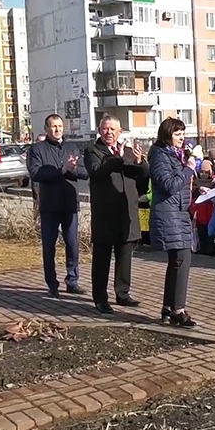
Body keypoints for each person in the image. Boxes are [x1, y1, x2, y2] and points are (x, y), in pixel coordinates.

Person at [83, 116, 147, 314]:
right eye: (105, 128)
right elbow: (96, 172)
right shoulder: (92, 151)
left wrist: (140, 163)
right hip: (105, 213)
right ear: (99, 131)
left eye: (112, 129)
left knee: (125, 255)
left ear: (120, 132)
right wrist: (117, 158)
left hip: (126, 211)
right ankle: (100, 298)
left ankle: (123, 293)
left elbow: (143, 179)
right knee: (102, 258)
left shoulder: (128, 152)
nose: (108, 132)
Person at [28, 114, 89, 298]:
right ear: (46, 129)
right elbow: (36, 173)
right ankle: (52, 284)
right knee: (49, 247)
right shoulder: (37, 149)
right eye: (53, 126)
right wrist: (61, 171)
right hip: (50, 206)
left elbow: (85, 173)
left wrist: (71, 170)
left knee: (72, 244)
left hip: (70, 204)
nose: (57, 129)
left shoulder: (72, 147)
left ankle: (72, 281)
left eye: (60, 126)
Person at [148, 117, 198, 328]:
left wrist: (197, 190)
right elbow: (169, 185)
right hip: (168, 214)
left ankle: (168, 308)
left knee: (178, 260)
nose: (182, 138)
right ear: (167, 135)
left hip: (178, 213)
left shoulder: (174, 155)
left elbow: (179, 184)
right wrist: (188, 169)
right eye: (178, 134)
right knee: (181, 259)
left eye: (183, 133)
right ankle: (178, 309)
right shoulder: (159, 155)